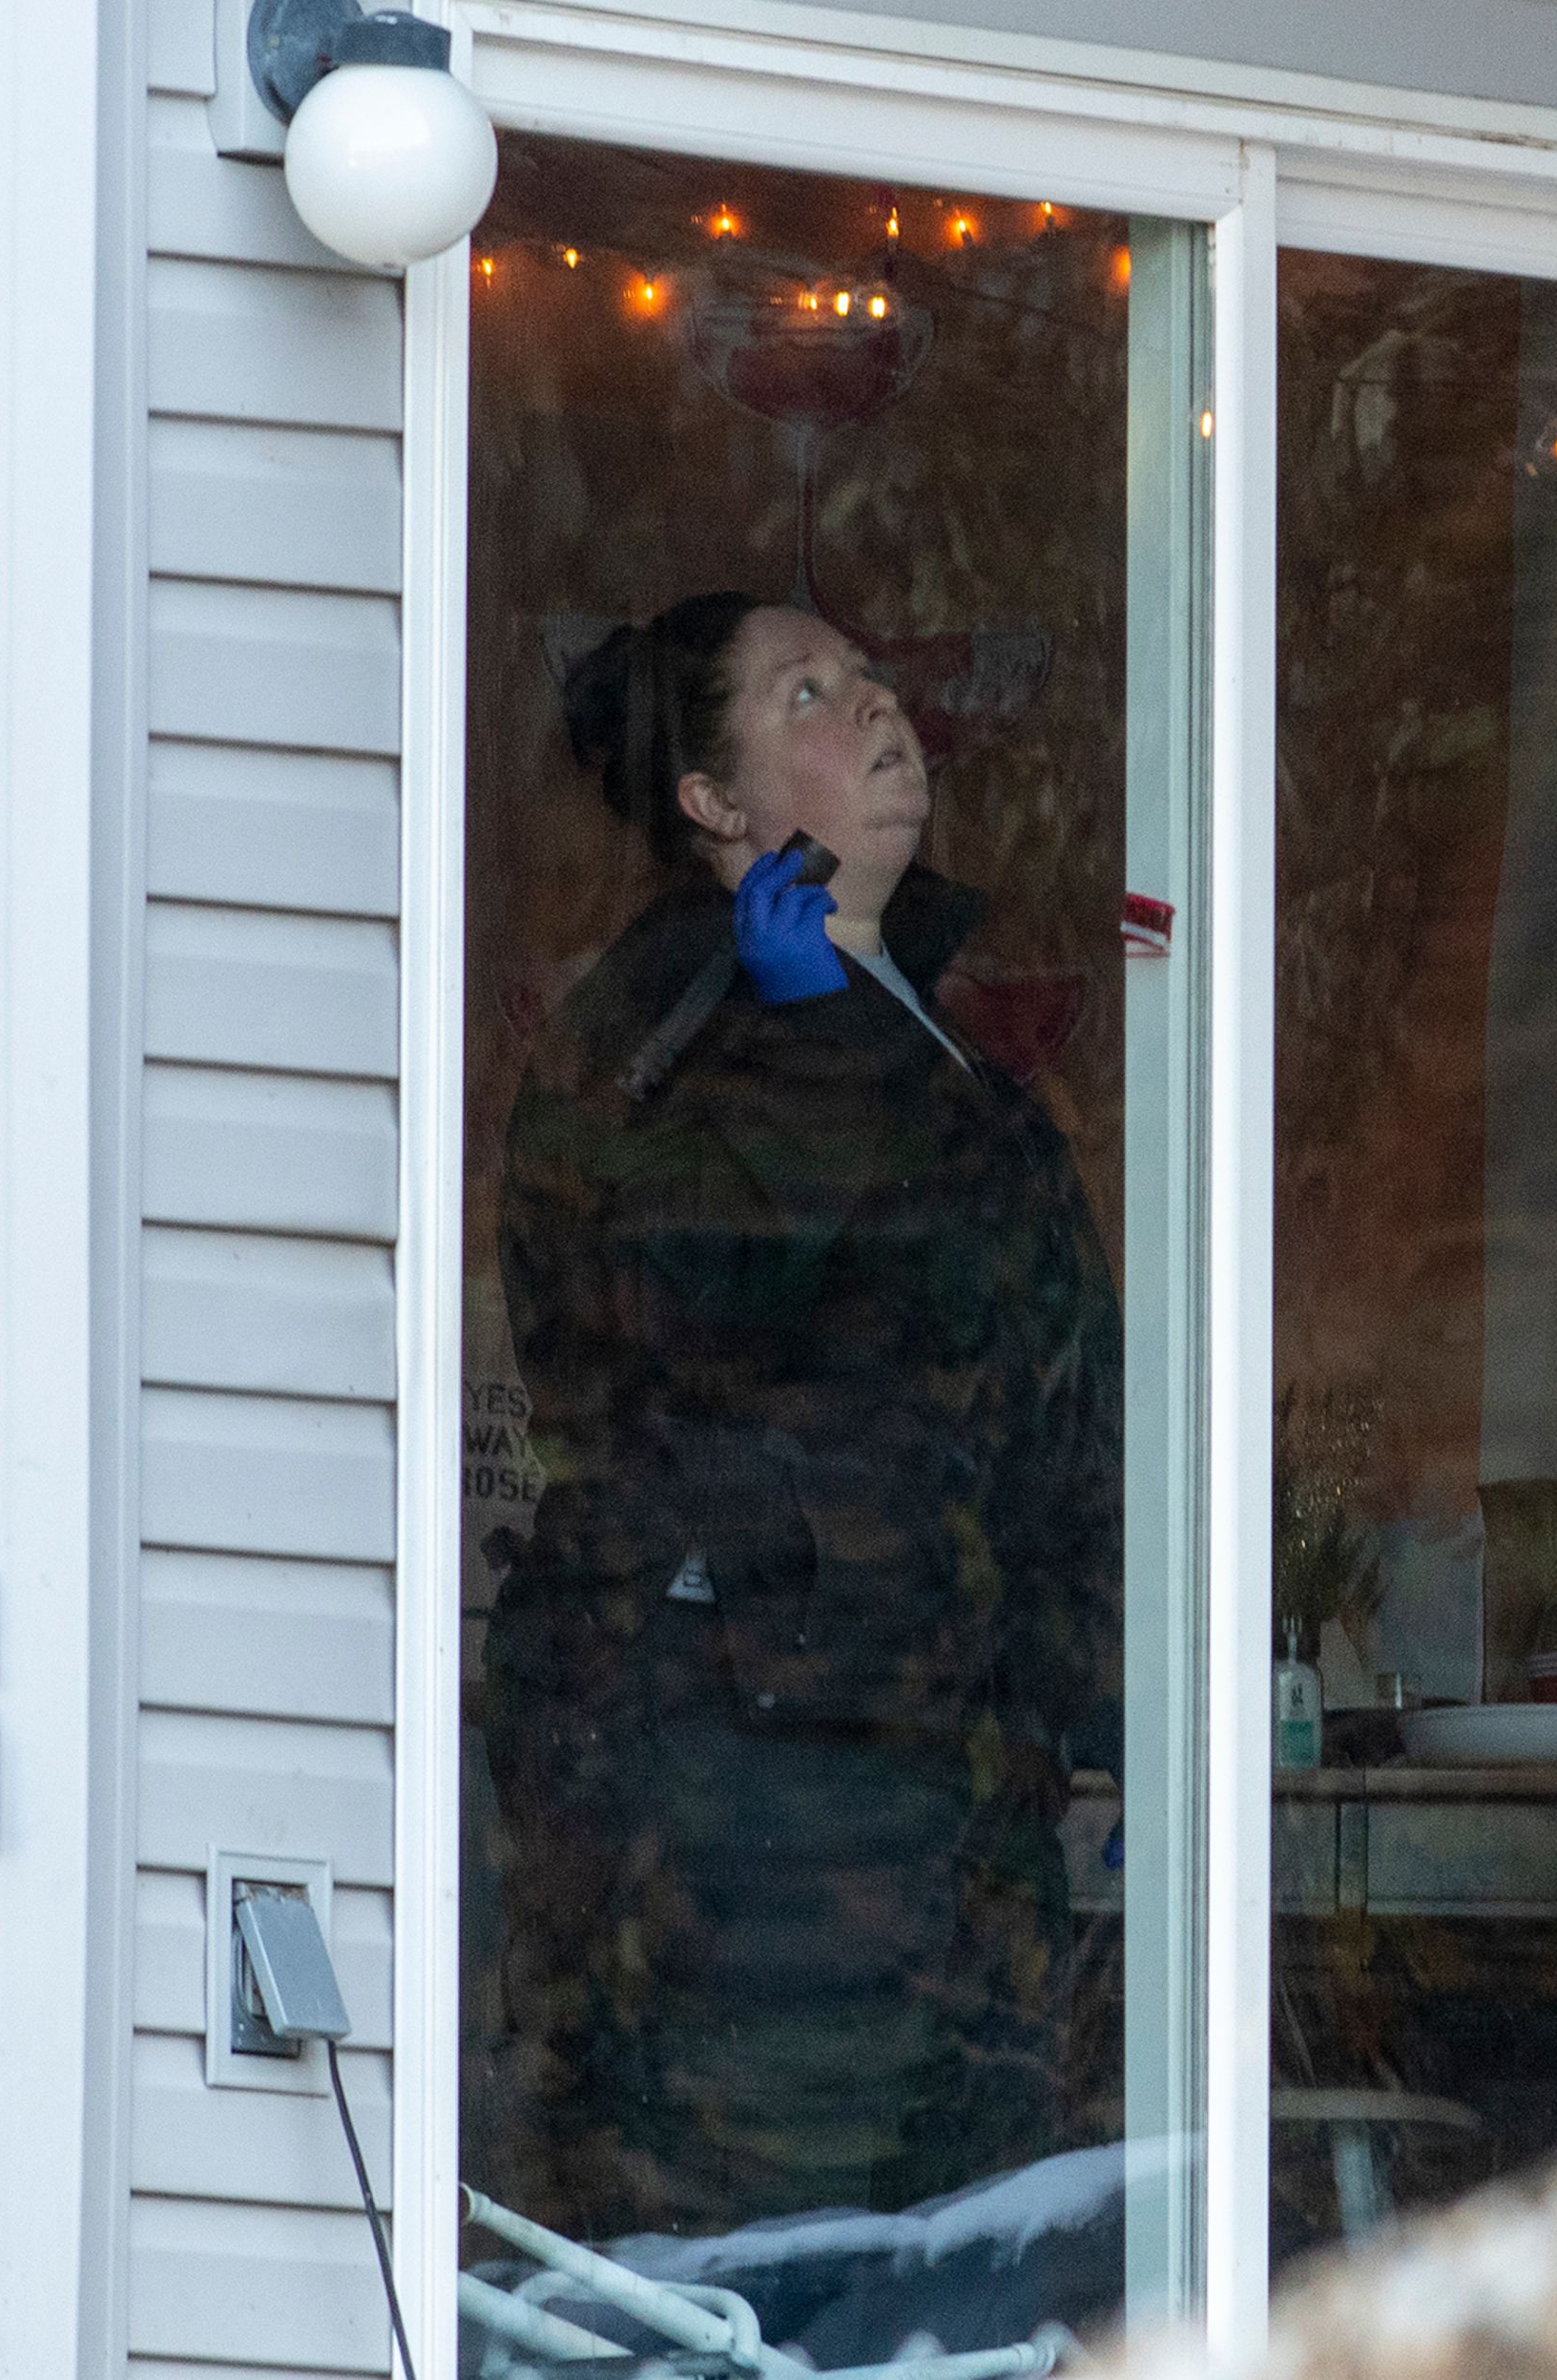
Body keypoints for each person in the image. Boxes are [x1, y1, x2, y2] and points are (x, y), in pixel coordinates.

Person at [480, 590, 1122, 2250]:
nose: (883, 712)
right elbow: (674, 1325)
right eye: (811, 696)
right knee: (787, 2249)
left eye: (878, 681)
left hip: (945, 1766)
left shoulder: (929, 1036)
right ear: (713, 804)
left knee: (951, 2257)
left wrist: (1085, 1672)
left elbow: (1044, 1401)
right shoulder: (669, 1026)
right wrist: (810, 1046)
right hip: (770, 1785)